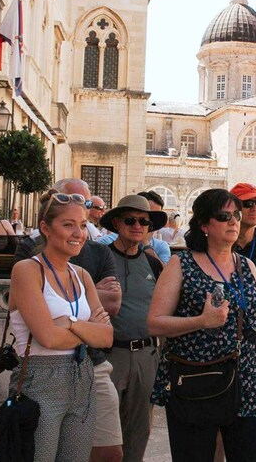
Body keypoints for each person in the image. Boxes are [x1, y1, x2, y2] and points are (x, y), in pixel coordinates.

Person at [148, 188, 256, 461]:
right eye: (224, 216)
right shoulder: (181, 263)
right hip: (197, 381)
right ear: (204, 224)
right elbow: (154, 324)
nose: (234, 221)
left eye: (236, 214)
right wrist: (201, 321)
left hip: (245, 381)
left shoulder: (247, 266)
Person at [14, 178, 123, 462]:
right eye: (68, 225)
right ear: (45, 228)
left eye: (83, 224)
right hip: (40, 376)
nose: (79, 233)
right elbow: (47, 338)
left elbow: (107, 337)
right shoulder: (27, 270)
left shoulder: (82, 275)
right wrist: (90, 329)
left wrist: (71, 323)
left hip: (82, 373)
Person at [99, 195, 167, 461]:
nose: (137, 226)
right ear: (117, 223)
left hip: (146, 355)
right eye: (130, 220)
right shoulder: (99, 259)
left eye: (143, 221)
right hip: (108, 355)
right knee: (103, 435)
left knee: (138, 433)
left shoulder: (153, 264)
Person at [137, 191, 172, 265]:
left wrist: (146, 244)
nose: (149, 221)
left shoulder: (161, 246)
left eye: (155, 217)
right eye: (144, 216)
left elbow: (163, 274)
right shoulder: (110, 241)